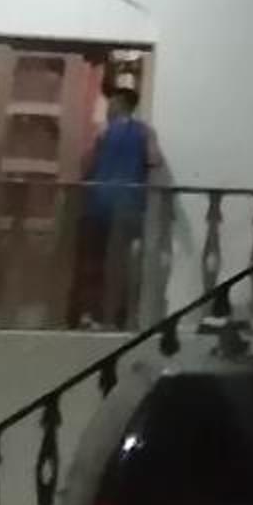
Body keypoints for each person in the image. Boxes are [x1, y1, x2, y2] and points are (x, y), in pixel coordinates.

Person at [69, 76, 159, 329]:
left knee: (94, 263)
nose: (108, 108)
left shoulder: (105, 132)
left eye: (111, 103)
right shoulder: (144, 131)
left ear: (120, 104)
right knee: (119, 264)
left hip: (99, 204)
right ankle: (114, 318)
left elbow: (85, 167)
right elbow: (154, 159)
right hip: (128, 205)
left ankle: (93, 315)